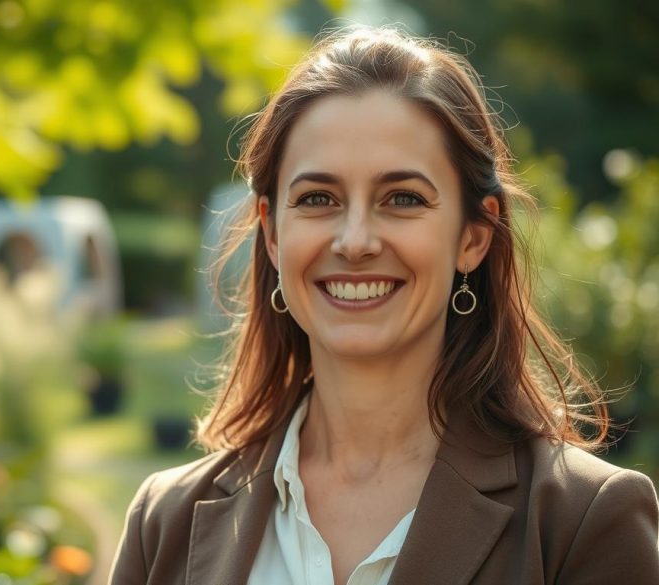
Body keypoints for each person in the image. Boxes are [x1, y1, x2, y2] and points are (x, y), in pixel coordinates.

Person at [109, 26, 659, 585]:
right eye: (318, 199)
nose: (354, 241)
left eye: (402, 199)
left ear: (474, 236)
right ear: (272, 235)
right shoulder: (165, 521)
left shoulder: (582, 521)